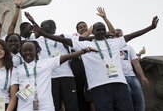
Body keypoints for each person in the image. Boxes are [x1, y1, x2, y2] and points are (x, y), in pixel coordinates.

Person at [25, 12, 159, 111]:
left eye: (102, 29)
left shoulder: (115, 42)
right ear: (92, 32)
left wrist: (150, 27)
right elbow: (63, 41)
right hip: (98, 86)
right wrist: (42, 33)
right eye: (97, 30)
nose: (100, 31)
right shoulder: (83, 45)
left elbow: (133, 35)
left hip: (120, 84)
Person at [16, 40, 96, 111]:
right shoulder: (17, 69)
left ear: (36, 51)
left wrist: (85, 50)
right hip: (24, 106)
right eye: (24, 50)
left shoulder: (46, 63)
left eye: (30, 50)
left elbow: (66, 57)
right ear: (20, 52)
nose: (27, 52)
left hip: (46, 106)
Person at [34, 19, 78, 111]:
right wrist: (32, 23)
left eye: (52, 25)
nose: (50, 27)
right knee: (55, 105)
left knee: (72, 105)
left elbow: (80, 39)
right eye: (46, 25)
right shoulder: (37, 41)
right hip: (50, 78)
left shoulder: (63, 37)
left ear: (55, 28)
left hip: (67, 76)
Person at [115, 28, 149, 111]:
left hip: (131, 77)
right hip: (119, 78)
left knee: (139, 100)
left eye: (121, 34)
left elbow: (135, 62)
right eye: (117, 34)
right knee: (126, 99)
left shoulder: (129, 48)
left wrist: (142, 76)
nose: (119, 35)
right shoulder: (110, 47)